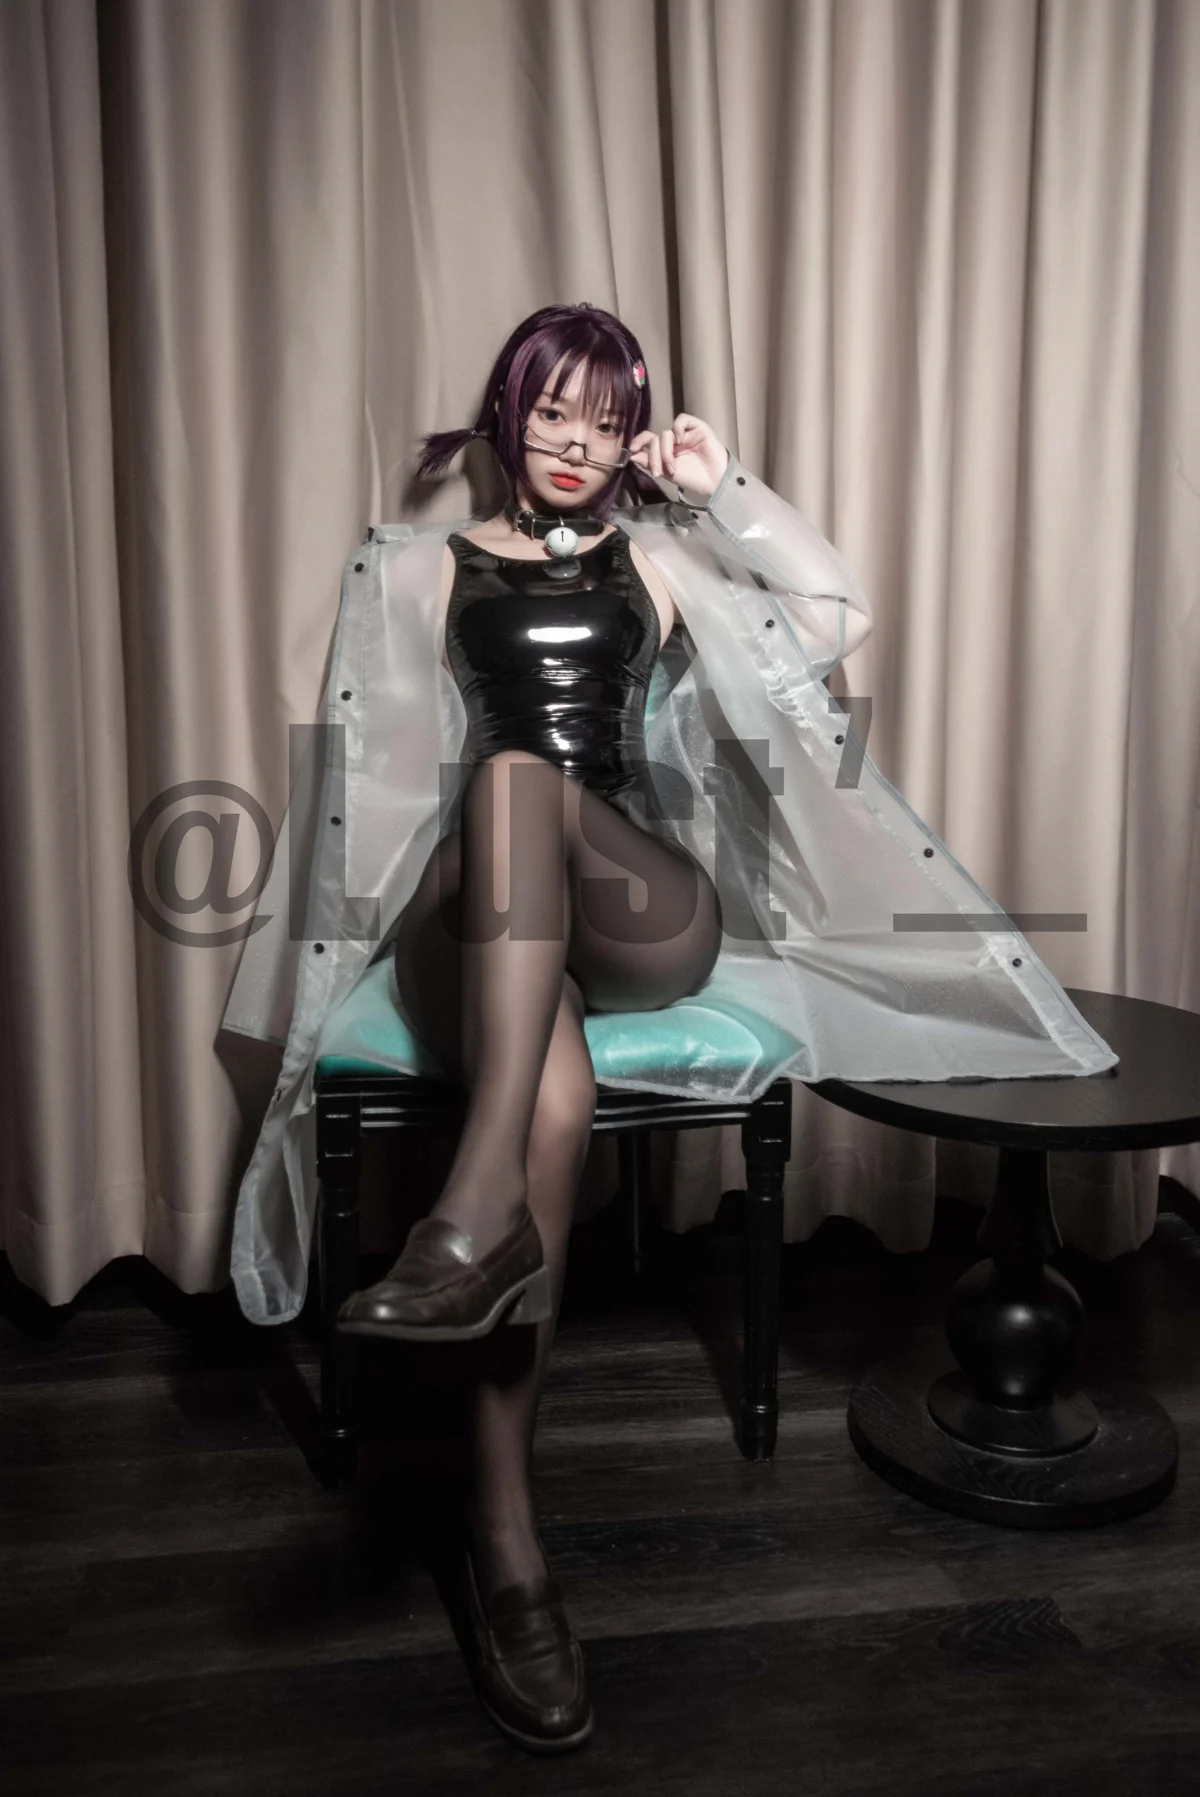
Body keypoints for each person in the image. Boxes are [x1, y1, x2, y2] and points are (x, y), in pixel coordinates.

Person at [221, 303, 1116, 1754]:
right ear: (508, 415)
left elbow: (834, 617)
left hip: (638, 904)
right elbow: (369, 783)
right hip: (481, 916)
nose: (574, 442)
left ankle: (463, 1230)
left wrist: (721, 489)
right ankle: (508, 1548)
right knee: (547, 1081)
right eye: (549, 411)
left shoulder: (659, 559)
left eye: (604, 418)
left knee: (525, 786)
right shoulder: (413, 567)